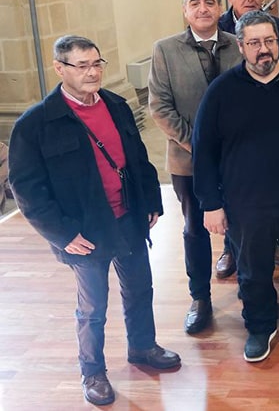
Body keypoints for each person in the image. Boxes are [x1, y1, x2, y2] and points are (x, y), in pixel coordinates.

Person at [9, 35, 181, 406]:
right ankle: (92, 371)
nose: (92, 72)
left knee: (139, 289)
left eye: (97, 64)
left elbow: (138, 158)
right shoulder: (36, 123)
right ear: (60, 69)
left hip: (129, 217)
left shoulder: (116, 105)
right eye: (82, 65)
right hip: (84, 231)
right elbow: (27, 190)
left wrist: (150, 200)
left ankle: (143, 347)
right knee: (92, 308)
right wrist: (62, 234)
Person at [193, 11, 279, 363]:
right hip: (246, 202)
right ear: (241, 46)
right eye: (254, 43)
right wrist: (211, 203)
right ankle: (260, 326)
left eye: (269, 41)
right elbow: (204, 150)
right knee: (253, 268)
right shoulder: (221, 92)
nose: (263, 50)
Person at [148, 0, 242, 334]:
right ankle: (200, 296)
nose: (203, 8)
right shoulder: (165, 50)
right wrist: (199, 146)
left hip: (236, 160)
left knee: (240, 221)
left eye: (210, 2)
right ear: (185, 10)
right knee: (195, 228)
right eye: (194, 3)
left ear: (220, 8)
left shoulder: (238, 45)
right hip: (188, 162)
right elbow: (160, 107)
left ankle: (247, 283)